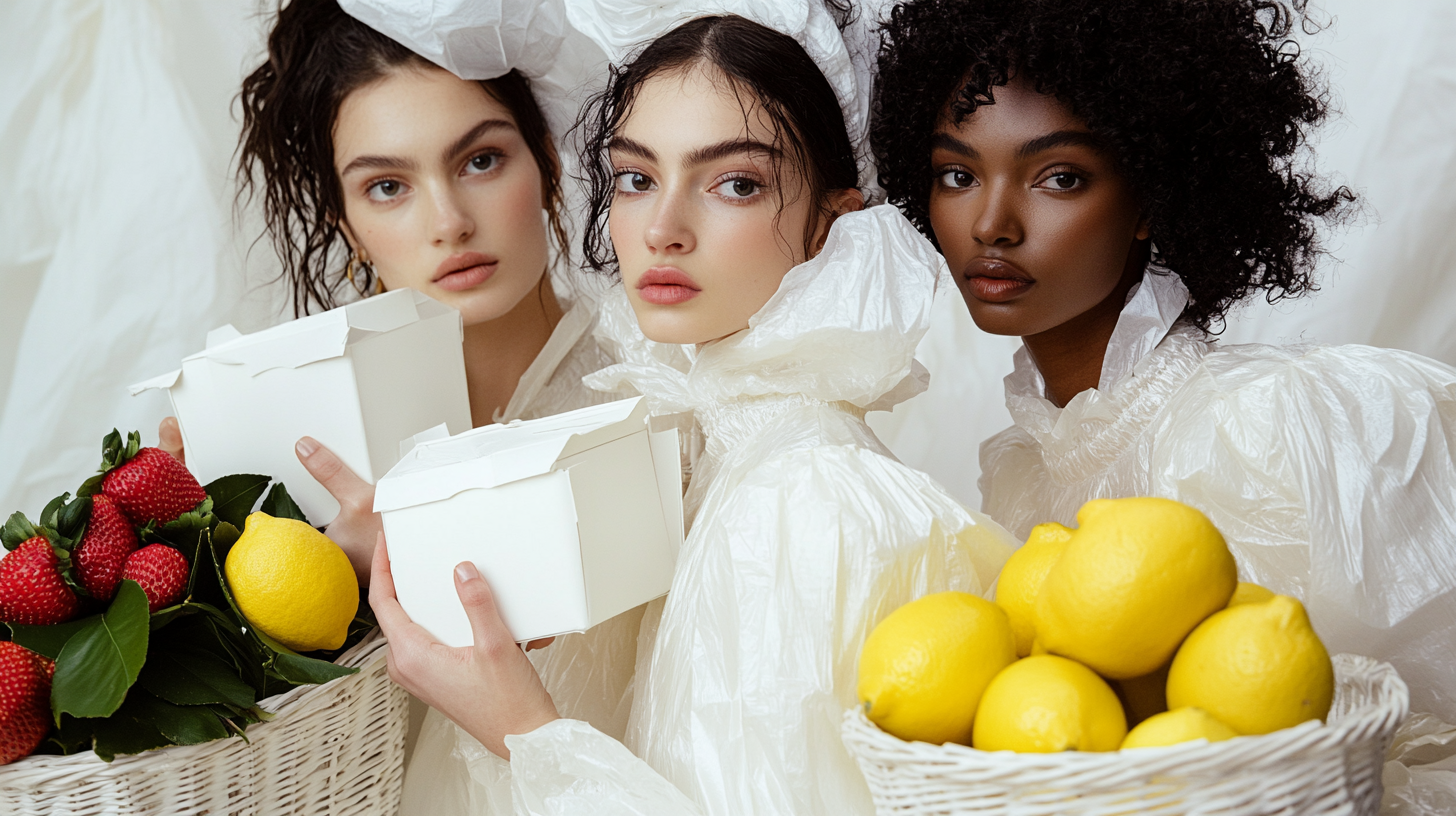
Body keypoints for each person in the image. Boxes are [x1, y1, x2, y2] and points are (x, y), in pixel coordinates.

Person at [367, 4, 1018, 813]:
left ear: (831, 222)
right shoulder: (686, 454)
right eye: (637, 178)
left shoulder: (807, 504)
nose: (662, 228)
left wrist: (525, 730)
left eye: (735, 183)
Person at [873, 0, 1456, 809]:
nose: (992, 223)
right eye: (957, 174)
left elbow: (1411, 739)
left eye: (1059, 177)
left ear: (1150, 197)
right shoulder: (1021, 474)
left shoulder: (1274, 424)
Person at [158, 1, 641, 812]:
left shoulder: (652, 400)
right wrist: (224, 579)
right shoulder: (301, 446)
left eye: (482, 161)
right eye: (388, 186)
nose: (448, 222)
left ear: (549, 162)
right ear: (347, 227)